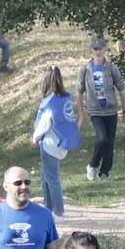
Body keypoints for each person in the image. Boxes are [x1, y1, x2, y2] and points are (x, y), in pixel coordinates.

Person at [77, 37, 125, 181]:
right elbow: (79, 92)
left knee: (110, 142)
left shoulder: (112, 68)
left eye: (100, 48)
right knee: (102, 139)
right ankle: (92, 165)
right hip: (95, 111)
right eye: (95, 49)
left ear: (105, 49)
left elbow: (122, 90)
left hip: (111, 110)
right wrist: (81, 114)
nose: (98, 51)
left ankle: (105, 172)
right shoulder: (85, 70)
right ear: (92, 50)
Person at [30, 66, 79, 217]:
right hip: (59, 142)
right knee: (46, 176)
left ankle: (58, 211)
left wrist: (35, 136)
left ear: (47, 81)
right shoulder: (63, 99)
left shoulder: (50, 101)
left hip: (50, 143)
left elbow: (45, 122)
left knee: (52, 178)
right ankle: (48, 209)